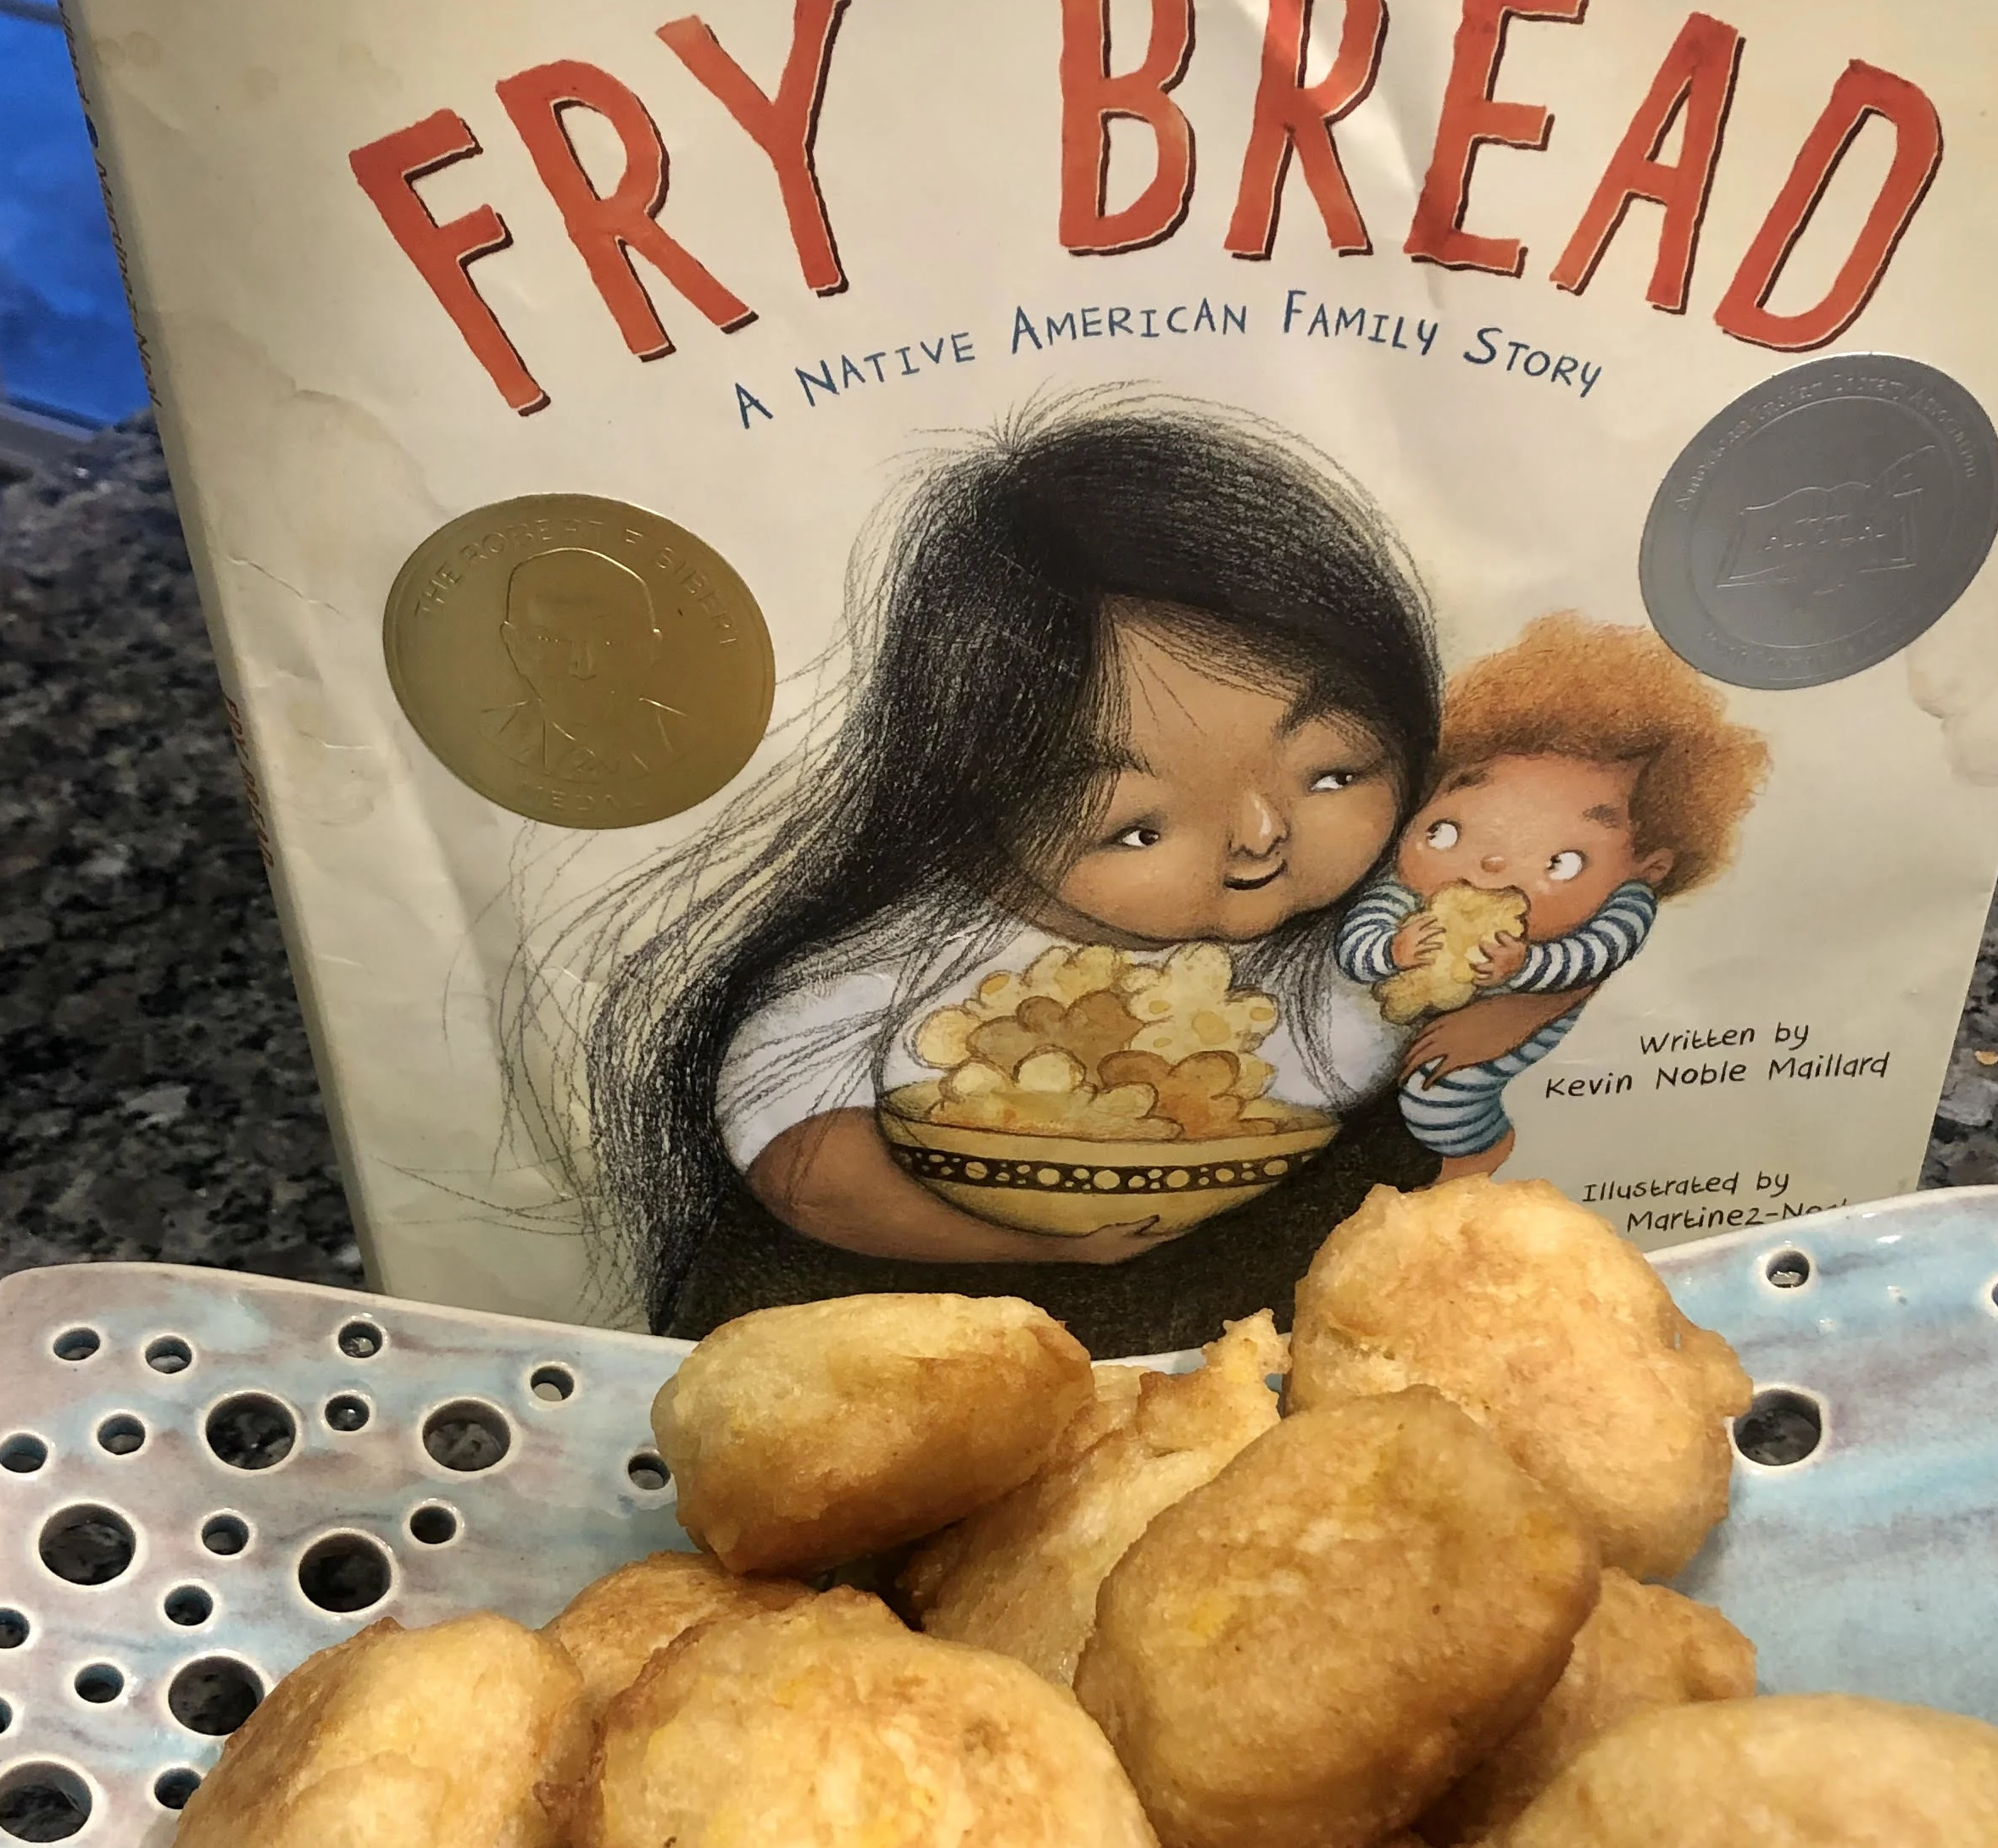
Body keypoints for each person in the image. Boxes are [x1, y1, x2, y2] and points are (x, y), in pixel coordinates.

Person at [550, 390, 1444, 1340]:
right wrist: (1057, 1248)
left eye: (1333, 771)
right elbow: (804, 1164)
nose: (1262, 837)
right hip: (960, 1311)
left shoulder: (1388, 925)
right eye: (1135, 827)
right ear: (971, 805)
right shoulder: (916, 954)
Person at [1335, 615, 1768, 1179]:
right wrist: (1391, 950)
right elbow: (1360, 936)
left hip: (1537, 1010)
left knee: (1438, 1090)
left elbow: (1600, 952)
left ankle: (1474, 1154)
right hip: (1407, 1016)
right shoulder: (1410, 888)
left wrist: (1528, 964)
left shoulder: (1629, 903)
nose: (1487, 865)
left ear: (1648, 866)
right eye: (1444, 831)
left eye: (1559, 862)